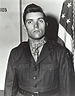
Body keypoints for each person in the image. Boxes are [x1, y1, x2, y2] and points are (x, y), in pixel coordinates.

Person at [4, 3, 74, 96]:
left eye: (40, 21)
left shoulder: (60, 52)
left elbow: (68, 90)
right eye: (30, 22)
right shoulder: (16, 53)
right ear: (25, 27)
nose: (36, 26)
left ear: (46, 24)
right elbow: (9, 89)